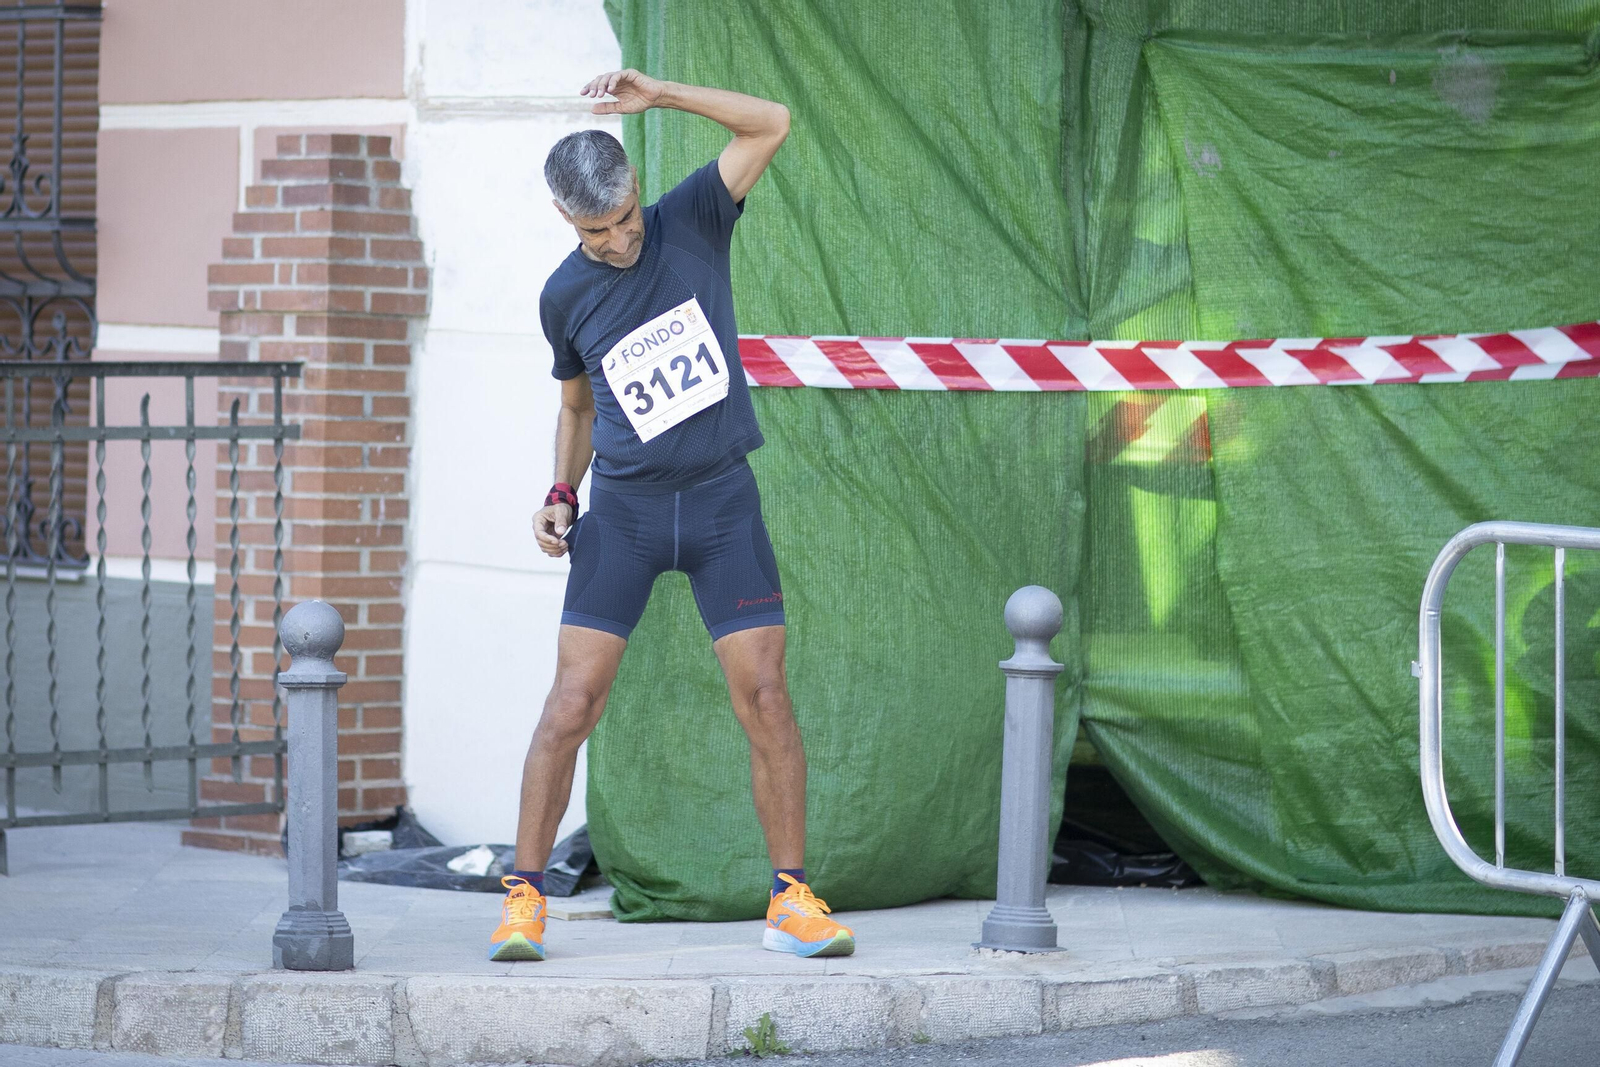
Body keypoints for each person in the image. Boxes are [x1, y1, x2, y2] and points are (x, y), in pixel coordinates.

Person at [488, 68, 856, 963]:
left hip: (724, 501)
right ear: (563, 217)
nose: (616, 241)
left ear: (639, 194)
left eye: (624, 219)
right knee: (570, 703)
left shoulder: (693, 216)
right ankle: (523, 901)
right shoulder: (562, 297)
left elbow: (773, 117)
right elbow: (577, 409)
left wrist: (659, 96)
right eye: (594, 230)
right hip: (628, 511)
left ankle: (792, 901)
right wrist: (558, 494)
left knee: (767, 698)